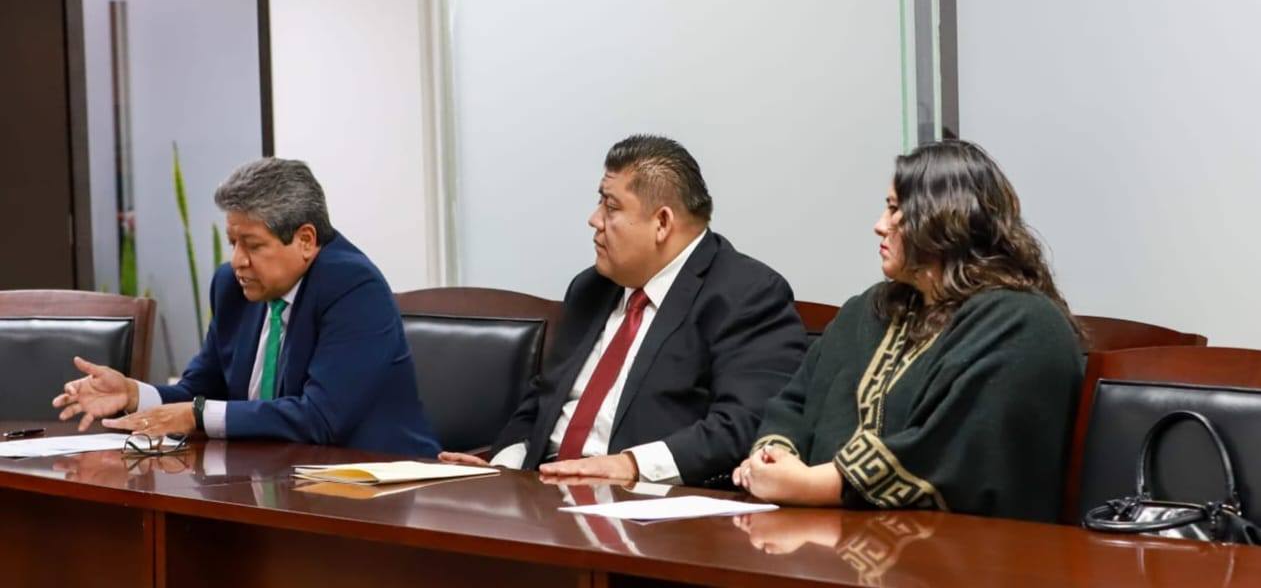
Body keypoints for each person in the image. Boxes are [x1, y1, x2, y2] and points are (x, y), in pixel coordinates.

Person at [734, 139, 1082, 522]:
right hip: (821, 533)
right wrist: (772, 460)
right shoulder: (869, 310)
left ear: (941, 218)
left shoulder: (1024, 323)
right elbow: (793, 403)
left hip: (964, 545)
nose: (879, 226)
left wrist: (812, 485)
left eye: (894, 209)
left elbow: (958, 452)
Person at [441, 135, 807, 486]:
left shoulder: (746, 294)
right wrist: (504, 471)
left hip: (646, 505)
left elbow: (746, 424)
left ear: (662, 223)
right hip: (544, 495)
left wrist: (629, 465)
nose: (594, 219)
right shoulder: (592, 288)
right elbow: (542, 402)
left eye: (611, 207)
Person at [52, 158, 439, 457]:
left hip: (375, 490)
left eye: (252, 245)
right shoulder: (232, 288)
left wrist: (197, 415)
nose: (237, 261)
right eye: (233, 243)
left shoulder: (353, 287)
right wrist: (134, 394)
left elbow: (321, 418)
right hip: (271, 480)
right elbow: (198, 390)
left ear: (305, 240)